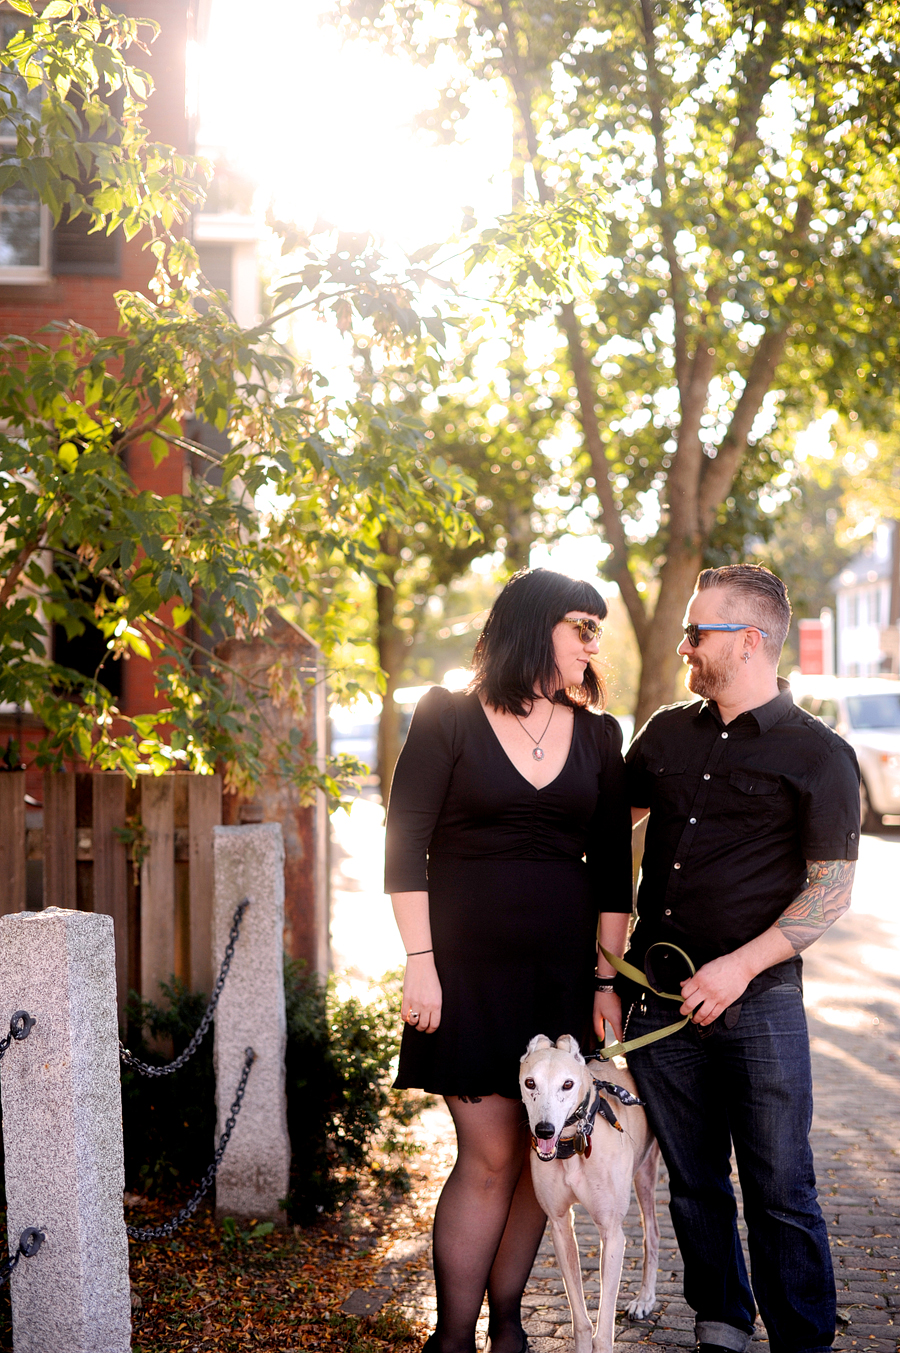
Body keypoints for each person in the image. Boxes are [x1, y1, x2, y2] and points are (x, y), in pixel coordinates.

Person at [609, 564, 859, 1353]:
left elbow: (829, 893)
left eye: (697, 631)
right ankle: (720, 1318)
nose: (684, 644)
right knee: (693, 1183)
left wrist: (738, 968)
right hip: (658, 1000)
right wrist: (603, 965)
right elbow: (605, 838)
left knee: (782, 1187)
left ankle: (802, 1337)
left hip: (761, 1005)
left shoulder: (820, 755)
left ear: (749, 641)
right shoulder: (664, 733)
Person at [384, 567, 633, 1353]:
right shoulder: (446, 714)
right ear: (532, 626)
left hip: (560, 978)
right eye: (580, 625)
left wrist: (605, 978)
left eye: (598, 627)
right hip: (463, 972)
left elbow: (612, 874)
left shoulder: (600, 734)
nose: (593, 641)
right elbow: (403, 845)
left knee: (543, 1149)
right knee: (490, 1154)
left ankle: (511, 1325)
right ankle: (452, 1337)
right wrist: (419, 962)